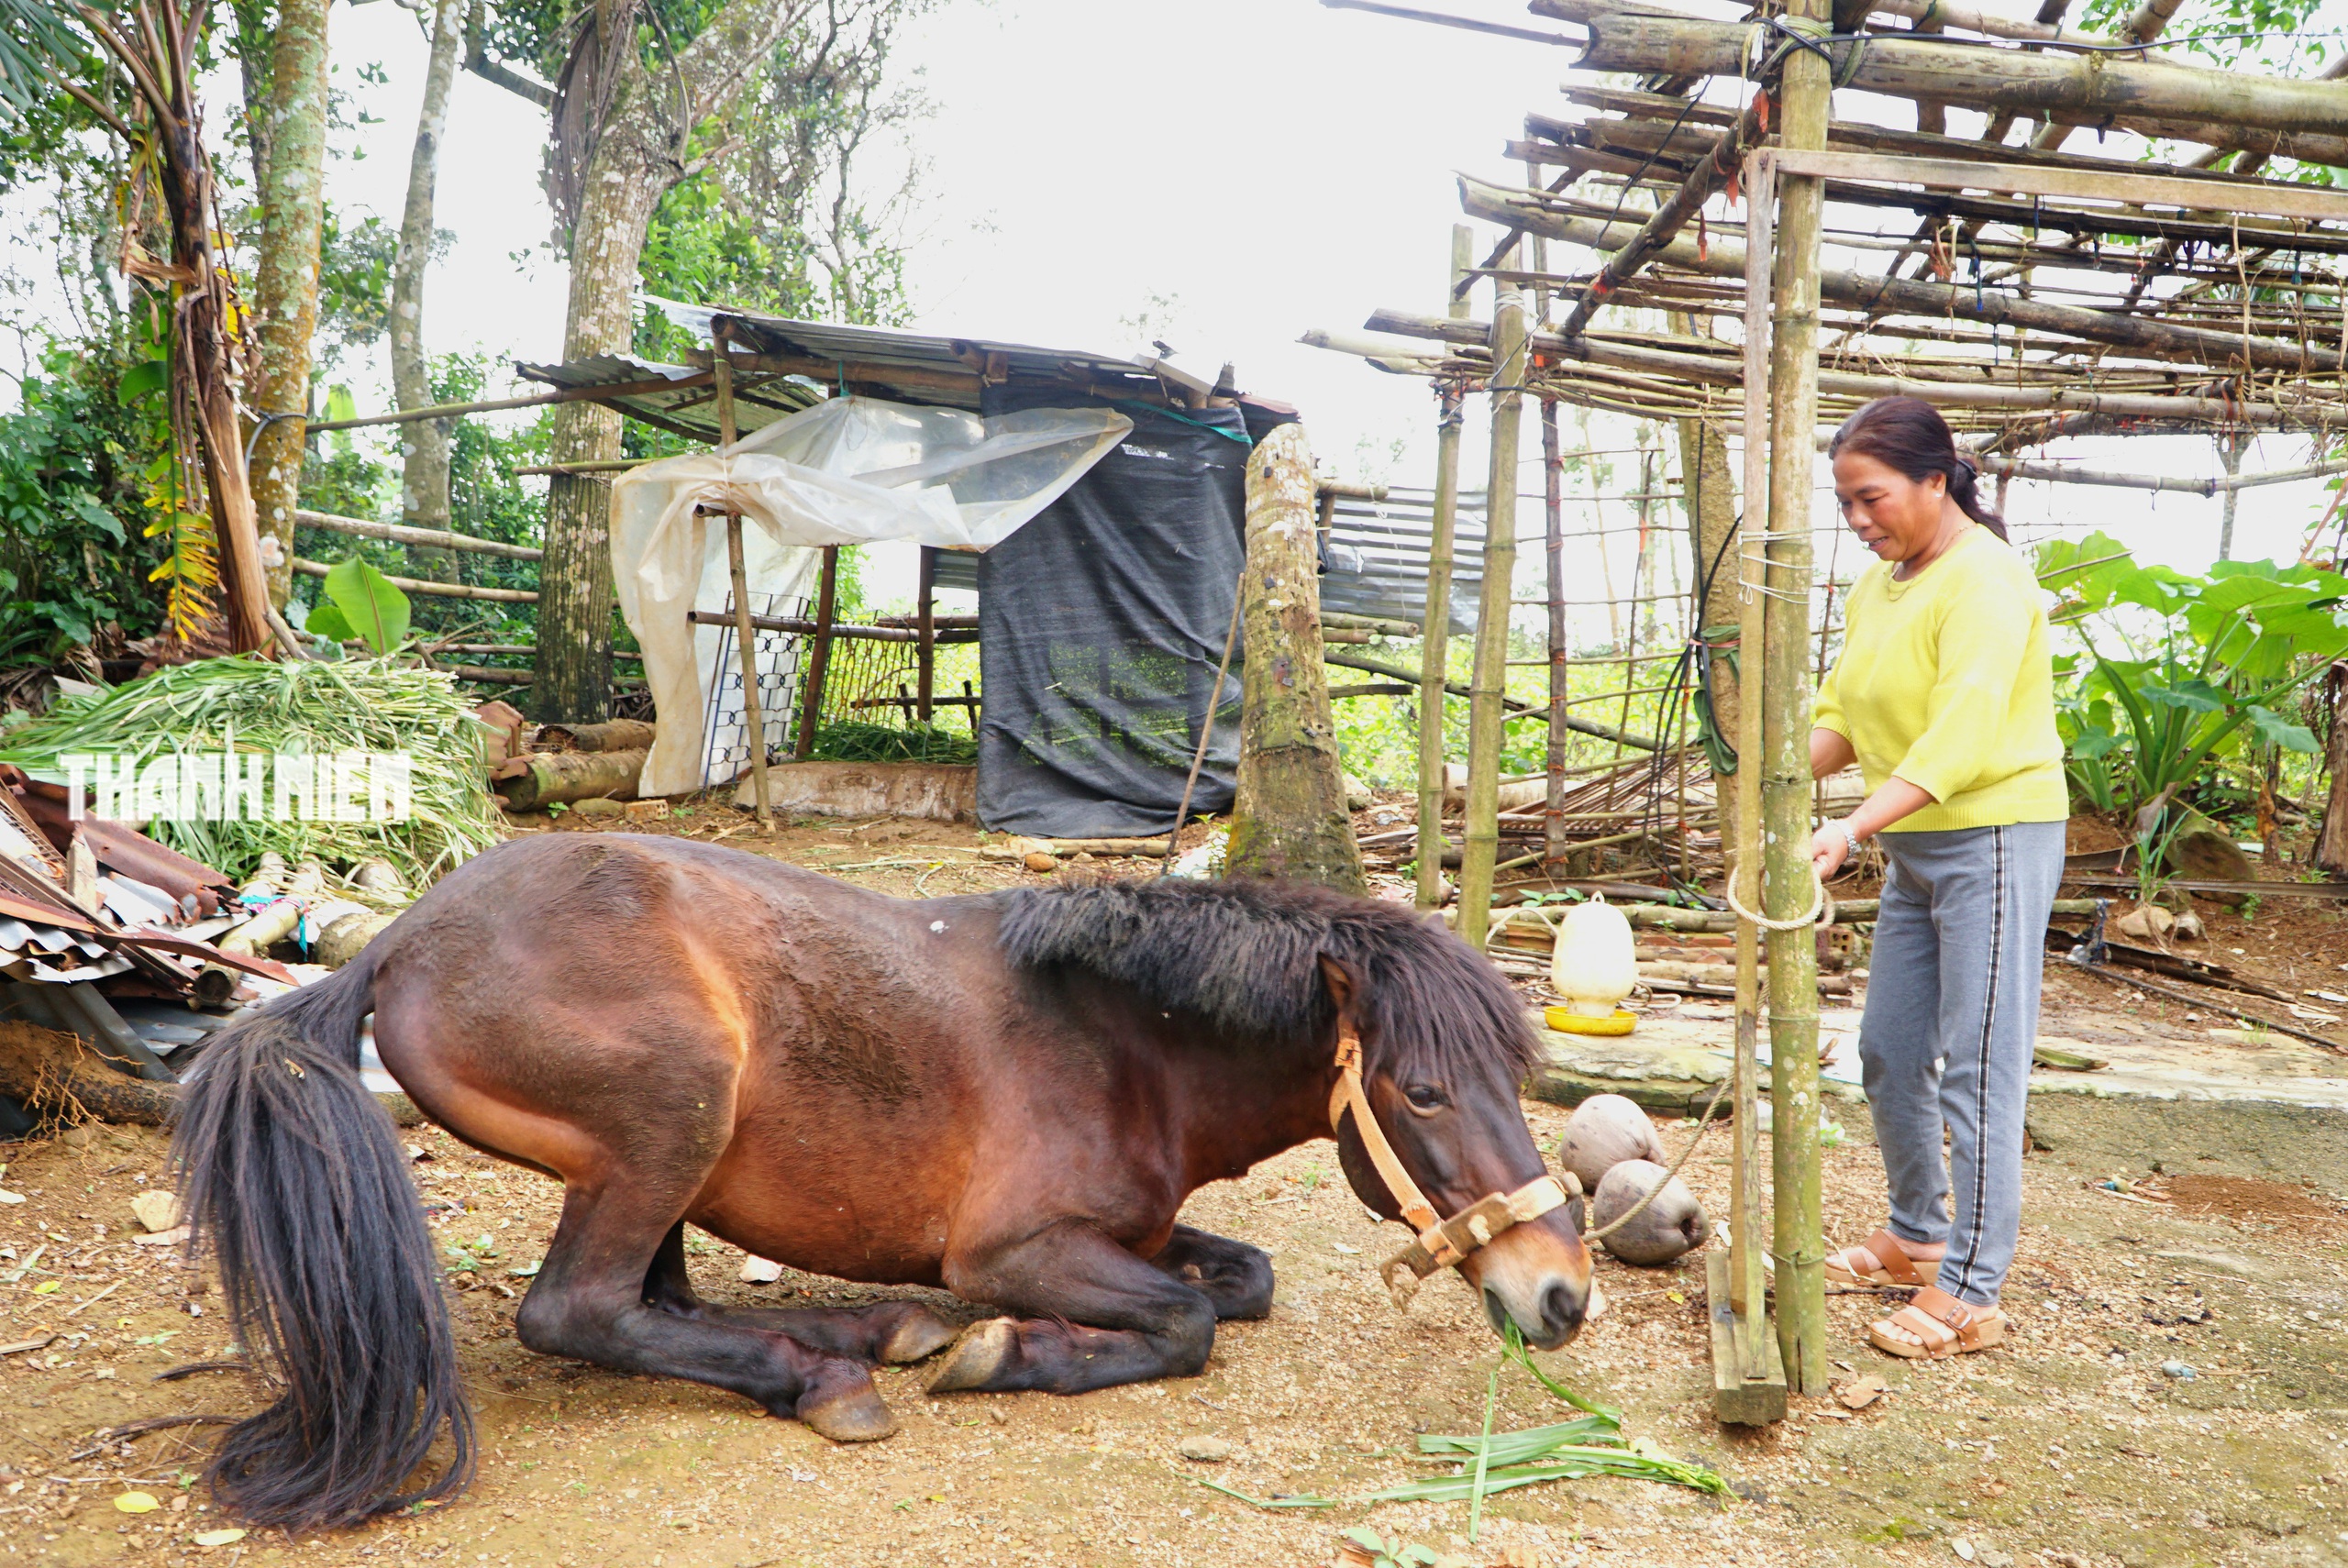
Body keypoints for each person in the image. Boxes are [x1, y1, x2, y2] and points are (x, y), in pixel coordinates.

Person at [1807, 396, 2068, 1361]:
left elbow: (1957, 737)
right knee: (1886, 1048)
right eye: (1845, 504)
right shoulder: (1880, 588)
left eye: (1870, 498)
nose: (1859, 521)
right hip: (1918, 845)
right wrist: (1778, 766)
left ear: (1933, 479)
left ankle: (1971, 1290)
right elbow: (1846, 712)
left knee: (1978, 1063)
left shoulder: (1987, 582)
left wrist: (1848, 825)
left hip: (1992, 836)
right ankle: (1917, 1234)